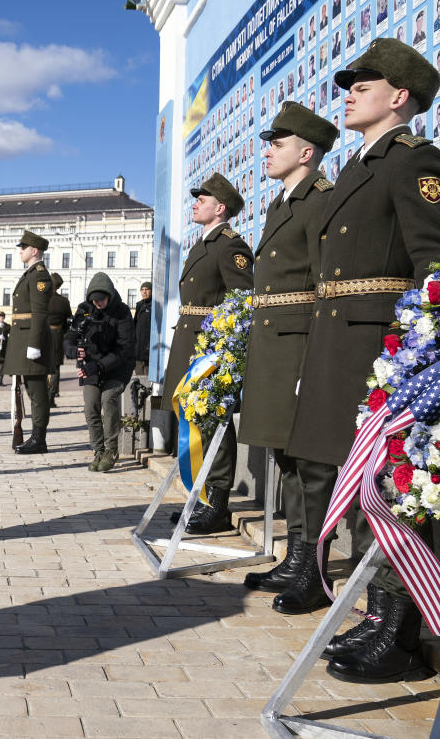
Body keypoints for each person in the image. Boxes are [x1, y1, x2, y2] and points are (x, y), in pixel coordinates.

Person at [285, 38, 440, 683]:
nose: (351, 91)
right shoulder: (361, 167)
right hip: (338, 340)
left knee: (386, 488)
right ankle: (376, 617)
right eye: (351, 83)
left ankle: (401, 632)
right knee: (353, 486)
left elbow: (436, 267)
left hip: (378, 347)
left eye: (366, 83)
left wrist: (413, 358)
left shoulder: (413, 161)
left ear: (400, 96)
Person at [238, 101, 338, 610]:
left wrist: (315, 361)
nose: (268, 153)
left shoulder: (321, 199)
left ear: (306, 152)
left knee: (312, 462)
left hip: (300, 345)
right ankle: (297, 555)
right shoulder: (283, 204)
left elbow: (326, 286)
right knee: (286, 456)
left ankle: (314, 566)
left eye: (276, 145)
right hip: (274, 345)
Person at [160, 173, 254, 534]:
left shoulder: (229, 245)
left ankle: (217, 503)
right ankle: (199, 497)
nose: (195, 202)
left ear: (221, 208)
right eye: (196, 198)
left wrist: (222, 350)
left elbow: (242, 300)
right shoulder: (204, 244)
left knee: (214, 421)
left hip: (209, 349)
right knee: (195, 423)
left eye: (203, 199)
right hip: (190, 340)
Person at [65, 273, 135, 473]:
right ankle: (98, 449)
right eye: (94, 300)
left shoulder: (121, 312)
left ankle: (111, 450)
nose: (98, 303)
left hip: (117, 367)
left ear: (110, 296)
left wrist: (98, 365)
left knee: (108, 399)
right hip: (91, 367)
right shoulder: (85, 309)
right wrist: (71, 350)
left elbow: (124, 349)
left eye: (102, 299)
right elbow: (70, 336)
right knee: (90, 407)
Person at [5, 230, 56, 454]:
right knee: (30, 389)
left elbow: (40, 312)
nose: (20, 251)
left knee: (37, 392)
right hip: (23, 340)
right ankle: (36, 437)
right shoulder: (30, 274)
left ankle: (39, 439)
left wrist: (34, 344)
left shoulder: (39, 276)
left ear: (34, 251)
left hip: (31, 342)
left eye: (23, 247)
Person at [46, 272, 72, 407]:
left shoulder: (42, 299)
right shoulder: (63, 301)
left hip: (42, 335)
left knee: (42, 366)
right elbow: (69, 321)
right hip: (57, 336)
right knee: (55, 368)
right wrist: (63, 333)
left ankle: (42, 397)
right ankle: (51, 398)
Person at [132, 281, 152, 380]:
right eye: (142, 290)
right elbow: (135, 324)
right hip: (138, 348)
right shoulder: (139, 305)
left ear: (151, 291)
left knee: (148, 379)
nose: (144, 292)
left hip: (149, 348)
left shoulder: (154, 306)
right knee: (139, 378)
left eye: (147, 289)